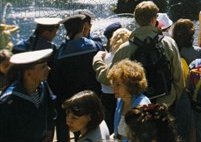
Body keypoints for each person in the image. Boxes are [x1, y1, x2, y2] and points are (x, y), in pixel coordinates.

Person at [93, 1, 184, 108]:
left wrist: (97, 61)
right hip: (165, 103)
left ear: (136, 20)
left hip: (136, 106)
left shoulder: (125, 49)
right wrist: (173, 98)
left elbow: (108, 79)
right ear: (154, 20)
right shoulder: (168, 43)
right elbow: (179, 77)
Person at [53, 12, 103, 142]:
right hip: (91, 98)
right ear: (82, 28)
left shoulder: (60, 53)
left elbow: (56, 81)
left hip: (70, 99)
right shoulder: (94, 47)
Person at [0, 49, 56, 142]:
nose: (48, 69)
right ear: (29, 73)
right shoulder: (9, 100)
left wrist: (49, 131)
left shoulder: (43, 86)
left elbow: (51, 110)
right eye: (43, 67)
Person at [107, 59, 151, 141]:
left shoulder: (142, 104)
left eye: (118, 84)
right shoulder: (120, 101)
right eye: (113, 83)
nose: (113, 88)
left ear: (130, 85)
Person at [100, 27, 131, 134]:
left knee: (109, 128)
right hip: (123, 96)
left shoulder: (106, 57)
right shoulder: (128, 56)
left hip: (107, 97)